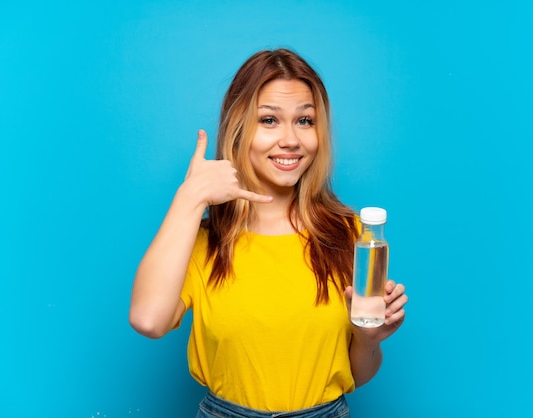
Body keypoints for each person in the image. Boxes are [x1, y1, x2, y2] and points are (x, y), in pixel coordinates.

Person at [129, 48, 408, 417]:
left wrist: (369, 339)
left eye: (305, 121)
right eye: (270, 120)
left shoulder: (353, 235)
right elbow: (148, 320)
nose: (291, 139)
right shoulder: (203, 242)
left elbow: (359, 373)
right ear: (240, 128)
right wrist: (190, 197)